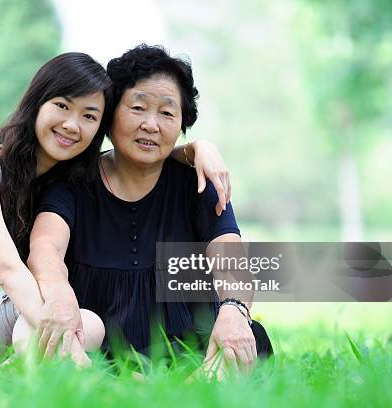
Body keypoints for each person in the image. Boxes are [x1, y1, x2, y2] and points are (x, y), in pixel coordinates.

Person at [0, 51, 232, 365]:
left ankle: (23, 375)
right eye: (62, 106)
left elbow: (142, 153)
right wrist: (64, 324)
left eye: (88, 116)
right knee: (34, 311)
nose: (72, 125)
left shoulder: (55, 181)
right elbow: (9, 272)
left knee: (92, 325)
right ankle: (88, 383)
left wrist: (198, 148)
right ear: (37, 103)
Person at [26, 45, 273, 378]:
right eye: (138, 107)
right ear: (109, 116)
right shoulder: (71, 183)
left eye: (167, 113)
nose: (151, 125)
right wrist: (56, 293)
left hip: (194, 355)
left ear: (183, 124)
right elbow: (45, 247)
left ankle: (190, 391)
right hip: (98, 355)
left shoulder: (199, 184)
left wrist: (234, 310)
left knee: (250, 341)